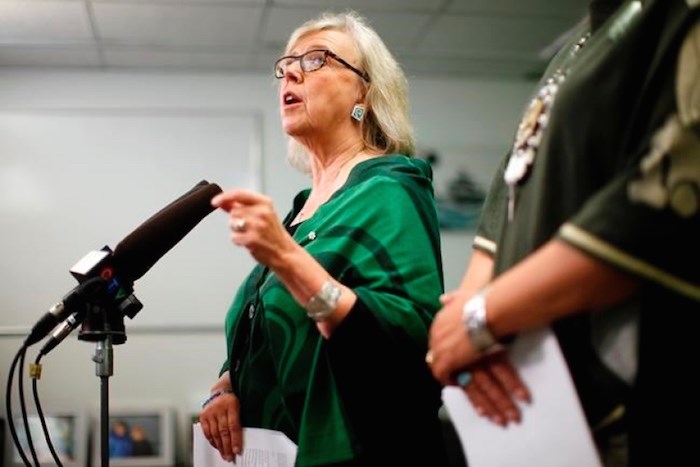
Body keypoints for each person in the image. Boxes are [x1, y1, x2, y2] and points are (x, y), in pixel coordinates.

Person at [427, 0, 700, 465]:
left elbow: (657, 206)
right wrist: (464, 334)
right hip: (533, 409)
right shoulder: (576, 46)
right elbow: (509, 194)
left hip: (627, 409)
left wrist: (481, 318)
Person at [199, 10, 450, 467]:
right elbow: (267, 327)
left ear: (365, 91)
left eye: (317, 60)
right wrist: (227, 386)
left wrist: (285, 258)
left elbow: (412, 337)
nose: (290, 71)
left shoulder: (389, 186)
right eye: (286, 64)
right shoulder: (300, 211)